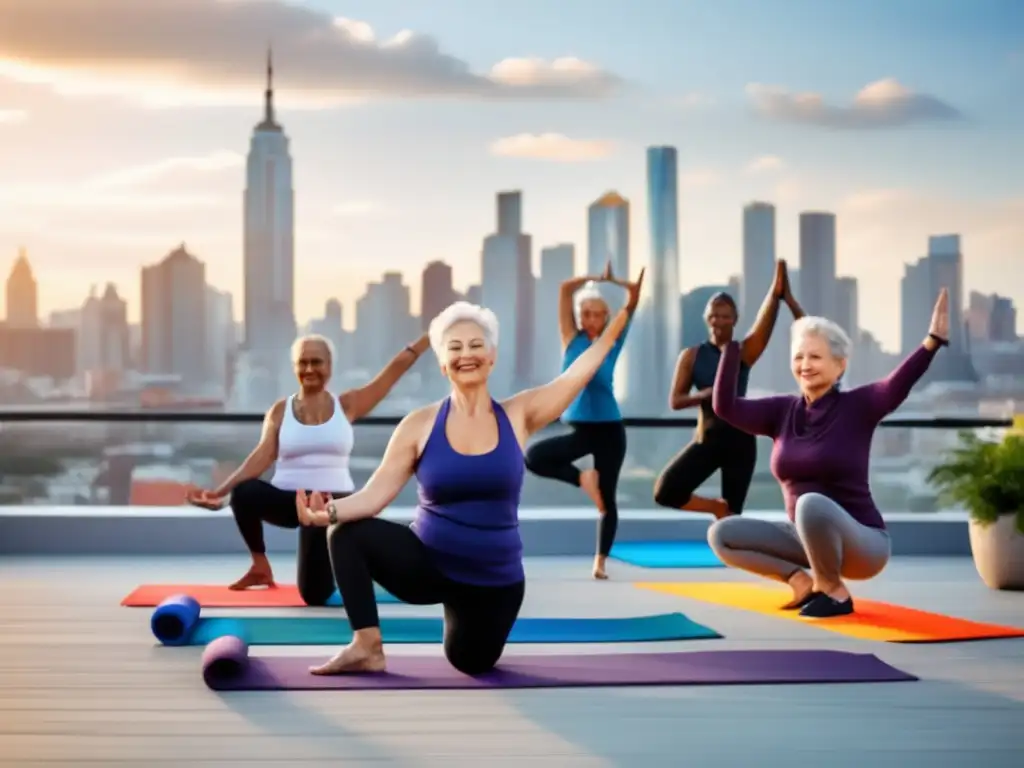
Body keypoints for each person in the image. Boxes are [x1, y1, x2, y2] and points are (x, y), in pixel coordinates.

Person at [295, 273, 644, 677]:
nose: (467, 354)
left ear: (492, 357)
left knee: (469, 661)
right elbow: (375, 496)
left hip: (493, 580)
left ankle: (463, 619)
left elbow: (578, 373)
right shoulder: (419, 424)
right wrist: (329, 513)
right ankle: (366, 646)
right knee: (347, 534)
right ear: (443, 363)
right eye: (455, 347)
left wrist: (623, 316)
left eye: (477, 345)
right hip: (429, 561)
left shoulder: (518, 414)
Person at [707, 289, 949, 619]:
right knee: (722, 534)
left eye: (816, 357)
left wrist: (932, 340)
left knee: (810, 501)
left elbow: (896, 383)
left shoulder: (859, 406)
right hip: (805, 537)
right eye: (799, 357)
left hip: (863, 543)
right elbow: (725, 407)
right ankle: (801, 582)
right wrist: (733, 349)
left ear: (840, 365)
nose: (806, 366)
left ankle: (834, 592)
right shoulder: (781, 411)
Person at [185, 332, 430, 604]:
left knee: (314, 595)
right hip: (290, 501)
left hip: (331, 505)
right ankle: (259, 567)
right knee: (244, 493)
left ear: (329, 367)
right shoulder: (280, 411)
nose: (309, 369)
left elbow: (392, 373)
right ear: (294, 367)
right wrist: (220, 492)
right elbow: (261, 457)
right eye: (303, 363)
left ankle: (342, 562)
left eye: (316, 362)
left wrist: (427, 340)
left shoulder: (347, 404)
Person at [653, 260, 804, 519]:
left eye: (725, 316)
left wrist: (779, 294)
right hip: (708, 438)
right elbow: (676, 401)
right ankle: (716, 508)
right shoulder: (691, 356)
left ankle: (731, 541)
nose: (718, 321)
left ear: (734, 320)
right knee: (665, 491)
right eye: (713, 315)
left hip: (741, 442)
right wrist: (707, 394)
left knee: (733, 518)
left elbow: (763, 324)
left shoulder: (742, 353)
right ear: (706, 318)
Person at [523, 263, 639, 580]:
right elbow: (564, 290)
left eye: (596, 314)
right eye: (585, 313)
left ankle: (600, 562)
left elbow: (633, 298)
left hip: (610, 430)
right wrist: (592, 279)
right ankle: (582, 480)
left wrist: (618, 282)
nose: (590, 319)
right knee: (534, 456)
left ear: (605, 318)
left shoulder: (612, 342)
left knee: (608, 501)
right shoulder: (571, 340)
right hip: (580, 430)